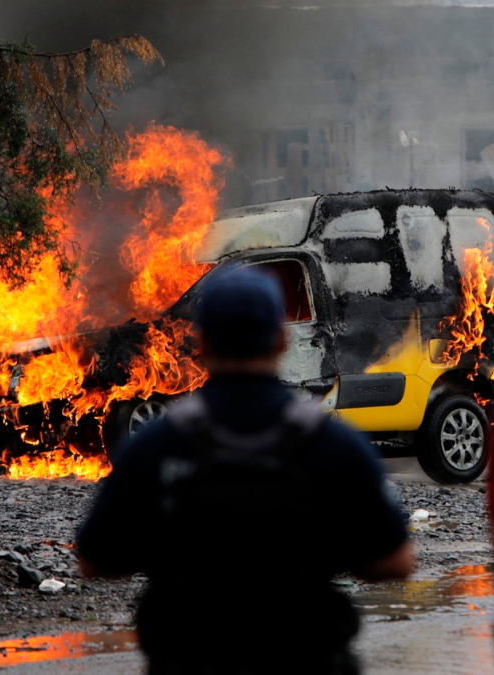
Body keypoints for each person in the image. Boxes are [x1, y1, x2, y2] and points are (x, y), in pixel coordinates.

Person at [77, 267, 414, 675]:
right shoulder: (332, 444)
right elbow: (395, 562)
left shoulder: (157, 445)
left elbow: (95, 560)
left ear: (201, 343)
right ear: (281, 340)